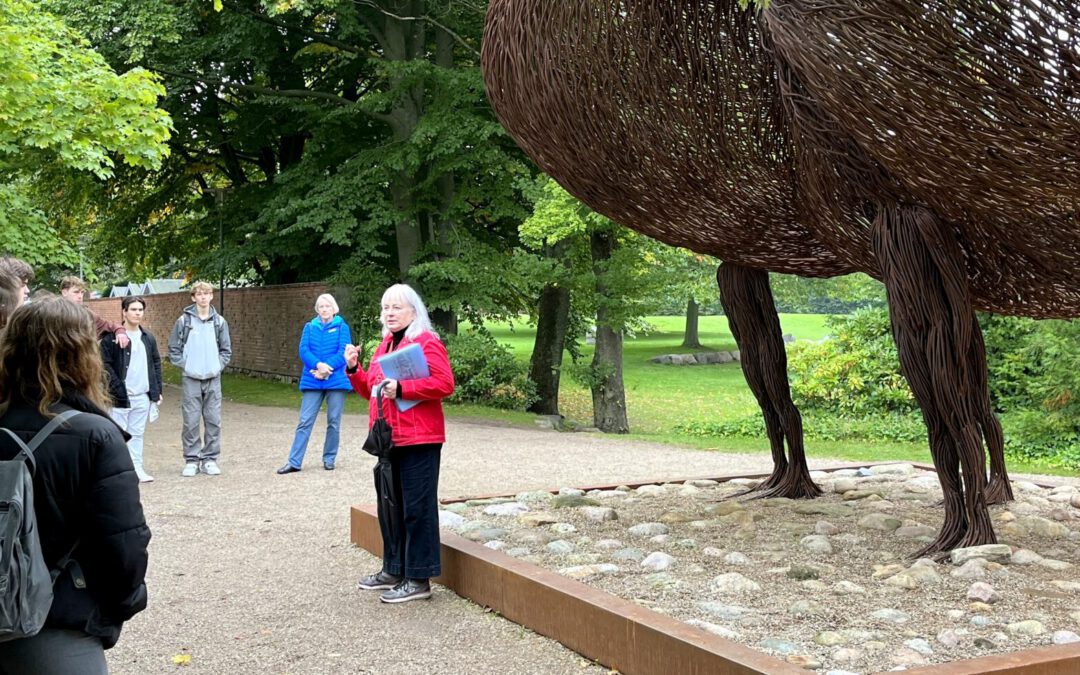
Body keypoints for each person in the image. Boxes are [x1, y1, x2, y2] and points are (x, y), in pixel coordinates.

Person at [0, 298, 151, 673]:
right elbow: (124, 545)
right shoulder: (94, 435)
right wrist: (118, 605)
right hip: (57, 625)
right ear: (82, 355)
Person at [346, 284, 455, 604]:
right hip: (389, 438)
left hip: (419, 437)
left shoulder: (426, 341)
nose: (389, 313)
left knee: (416, 510)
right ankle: (394, 570)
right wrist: (354, 369)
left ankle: (418, 578)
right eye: (386, 308)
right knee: (390, 507)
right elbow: (371, 390)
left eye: (396, 307)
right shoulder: (385, 344)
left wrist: (404, 389)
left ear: (413, 311)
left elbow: (445, 383)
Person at [277, 294, 353, 474]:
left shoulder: (342, 327)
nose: (324, 309)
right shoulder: (309, 327)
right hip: (313, 378)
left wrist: (327, 368)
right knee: (305, 421)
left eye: (327, 306)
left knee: (333, 421)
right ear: (317, 309)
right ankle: (294, 462)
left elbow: (343, 352)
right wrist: (318, 366)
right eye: (321, 307)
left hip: (336, 380)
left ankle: (329, 458)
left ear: (334, 308)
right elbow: (304, 350)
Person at [167, 281, 232, 477]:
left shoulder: (219, 322)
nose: (203, 297)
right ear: (193, 297)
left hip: (213, 378)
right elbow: (174, 349)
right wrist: (186, 365)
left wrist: (217, 366)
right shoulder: (183, 321)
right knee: (191, 421)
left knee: (213, 420)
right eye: (199, 294)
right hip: (191, 378)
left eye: (207, 293)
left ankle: (210, 459)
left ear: (211, 296)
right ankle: (192, 460)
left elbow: (226, 350)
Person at [101, 296, 163, 483]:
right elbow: (105, 365)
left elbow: (155, 363)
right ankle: (117, 471)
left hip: (142, 395)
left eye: (140, 310)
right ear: (124, 312)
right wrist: (116, 387)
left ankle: (137, 468)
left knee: (137, 434)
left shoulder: (148, 338)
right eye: (133, 309)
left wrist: (156, 390)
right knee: (117, 435)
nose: (137, 313)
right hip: (120, 396)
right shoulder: (111, 339)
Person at [59, 277, 129, 348]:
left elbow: (110, 325)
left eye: (82, 292)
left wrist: (120, 332)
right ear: (64, 292)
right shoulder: (54, 313)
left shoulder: (87, 314)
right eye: (76, 292)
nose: (80, 296)